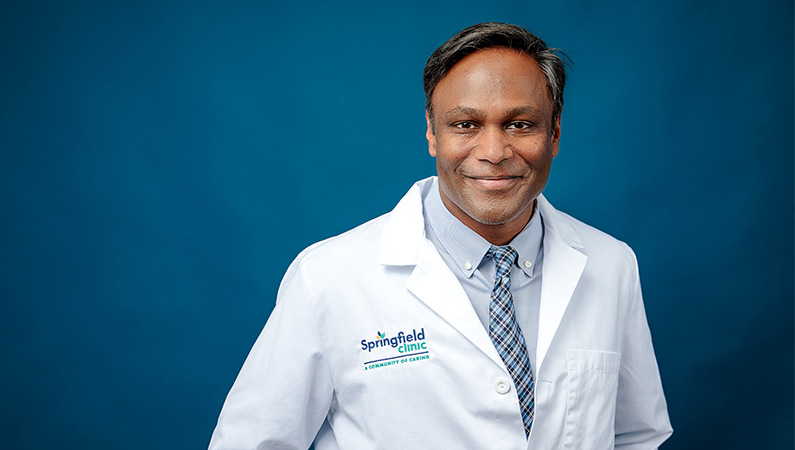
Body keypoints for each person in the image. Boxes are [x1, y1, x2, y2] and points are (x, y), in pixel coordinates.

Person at [209, 22, 672, 449]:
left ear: (554, 134)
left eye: (520, 124)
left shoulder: (612, 265)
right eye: (465, 124)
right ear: (432, 134)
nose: (493, 152)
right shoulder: (329, 278)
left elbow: (636, 436)